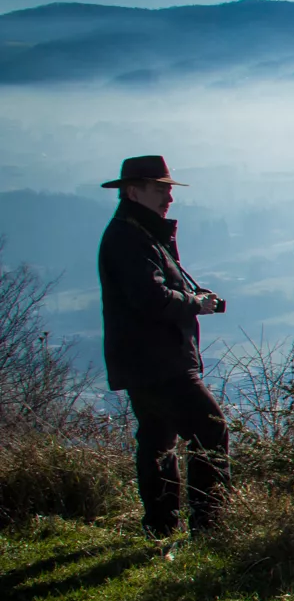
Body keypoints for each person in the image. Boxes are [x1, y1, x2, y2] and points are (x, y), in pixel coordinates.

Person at [96, 154, 230, 539]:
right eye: (161, 189)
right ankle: (210, 524)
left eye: (169, 189)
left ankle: (162, 526)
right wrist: (196, 304)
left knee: (158, 440)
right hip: (162, 361)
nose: (168, 197)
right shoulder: (129, 236)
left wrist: (190, 298)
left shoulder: (135, 231)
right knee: (210, 430)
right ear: (133, 191)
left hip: (145, 360)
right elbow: (151, 299)